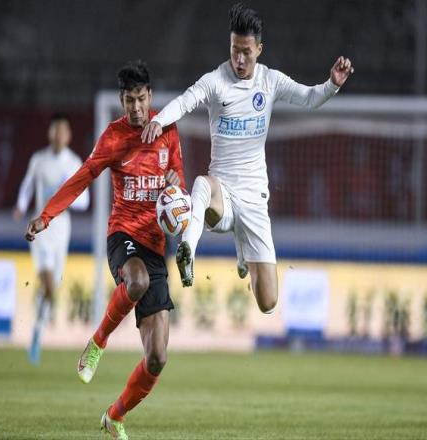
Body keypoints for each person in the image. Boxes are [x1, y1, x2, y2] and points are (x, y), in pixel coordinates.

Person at [142, 2, 353, 315]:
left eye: (246, 52)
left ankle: (244, 251)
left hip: (254, 200)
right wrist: (159, 120)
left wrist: (332, 84)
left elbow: (309, 98)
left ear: (259, 50)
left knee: (268, 303)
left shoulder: (270, 81)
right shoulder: (215, 80)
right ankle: (187, 250)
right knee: (201, 184)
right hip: (222, 197)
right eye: (234, 50)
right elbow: (186, 101)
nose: (239, 59)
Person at [25, 61, 185, 440]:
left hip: (155, 244)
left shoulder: (167, 130)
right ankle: (98, 342)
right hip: (122, 237)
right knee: (136, 281)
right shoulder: (113, 137)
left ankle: (114, 415)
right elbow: (82, 177)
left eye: (141, 99)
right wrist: (47, 215)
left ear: (150, 96)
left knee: (157, 357)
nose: (136, 107)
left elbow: (178, 179)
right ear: (121, 100)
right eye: (129, 100)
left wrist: (175, 180)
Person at [13, 113, 89, 364]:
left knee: (51, 290)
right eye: (55, 131)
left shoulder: (73, 163)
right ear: (50, 133)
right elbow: (27, 185)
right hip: (39, 228)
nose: (58, 136)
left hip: (61, 230)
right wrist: (20, 206)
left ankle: (37, 330)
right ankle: (40, 313)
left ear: (69, 135)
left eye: (62, 131)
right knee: (48, 284)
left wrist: (65, 195)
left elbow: (84, 201)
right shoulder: (39, 160)